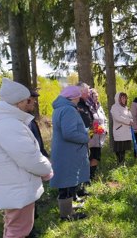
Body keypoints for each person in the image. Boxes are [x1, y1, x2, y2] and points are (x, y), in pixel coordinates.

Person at [0, 78, 53, 237]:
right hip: (18, 189)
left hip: (15, 187)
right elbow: (30, 158)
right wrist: (47, 168)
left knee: (14, 228)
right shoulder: (9, 125)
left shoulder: (6, 122)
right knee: (17, 231)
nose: (32, 103)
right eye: (28, 100)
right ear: (18, 102)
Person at [49, 85, 89, 221]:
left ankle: (68, 209)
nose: (79, 100)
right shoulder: (68, 110)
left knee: (66, 183)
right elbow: (69, 133)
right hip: (67, 153)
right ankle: (66, 216)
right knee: (66, 185)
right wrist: (86, 137)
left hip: (65, 152)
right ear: (73, 97)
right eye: (78, 97)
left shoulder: (60, 108)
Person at [25, 89, 50, 237]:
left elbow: (38, 142)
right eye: (32, 99)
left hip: (36, 163)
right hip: (28, 167)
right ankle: (28, 231)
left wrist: (45, 155)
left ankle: (31, 228)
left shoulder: (29, 119)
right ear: (24, 100)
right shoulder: (23, 122)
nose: (35, 102)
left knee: (33, 199)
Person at [75, 82, 92, 198]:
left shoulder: (84, 104)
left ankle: (81, 188)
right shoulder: (76, 105)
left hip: (85, 137)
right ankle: (75, 191)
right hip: (79, 139)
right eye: (86, 91)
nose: (88, 93)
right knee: (78, 164)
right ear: (80, 92)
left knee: (84, 163)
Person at [87, 88, 107, 179]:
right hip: (90, 138)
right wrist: (93, 128)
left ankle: (92, 176)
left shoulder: (99, 107)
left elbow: (105, 120)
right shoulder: (87, 107)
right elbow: (86, 121)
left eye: (97, 97)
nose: (97, 98)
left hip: (99, 138)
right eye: (95, 97)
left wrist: (104, 128)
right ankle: (86, 177)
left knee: (96, 157)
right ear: (90, 97)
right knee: (90, 157)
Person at [110, 92, 133, 165]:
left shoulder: (126, 107)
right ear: (118, 99)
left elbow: (130, 116)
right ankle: (120, 163)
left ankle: (122, 163)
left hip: (126, 132)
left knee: (123, 149)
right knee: (119, 149)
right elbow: (118, 117)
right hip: (119, 131)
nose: (124, 99)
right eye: (122, 98)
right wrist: (128, 121)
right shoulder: (114, 107)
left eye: (125, 98)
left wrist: (132, 120)